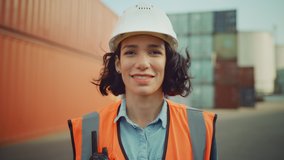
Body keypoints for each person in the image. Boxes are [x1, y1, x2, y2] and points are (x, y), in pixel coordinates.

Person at [68, 2, 217, 160]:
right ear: (118, 64)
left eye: (154, 52)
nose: (143, 64)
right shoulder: (87, 128)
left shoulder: (200, 127)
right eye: (131, 52)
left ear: (168, 62)